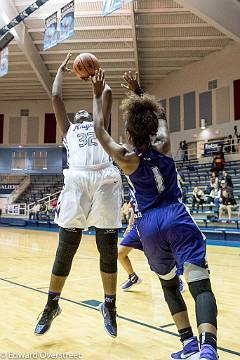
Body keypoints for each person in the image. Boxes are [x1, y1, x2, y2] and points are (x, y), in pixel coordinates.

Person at [91, 69, 218, 360]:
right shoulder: (165, 145)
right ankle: (208, 348)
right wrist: (138, 92)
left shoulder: (126, 158)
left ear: (129, 132)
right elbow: (159, 118)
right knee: (200, 284)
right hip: (176, 215)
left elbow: (99, 130)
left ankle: (187, 344)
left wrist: (98, 93)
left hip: (148, 225)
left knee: (170, 285)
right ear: (149, 128)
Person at [34, 54, 122, 338]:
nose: (83, 112)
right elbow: (56, 96)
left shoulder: (100, 123)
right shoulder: (68, 128)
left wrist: (97, 79)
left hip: (105, 177)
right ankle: (51, 304)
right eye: (80, 112)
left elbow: (106, 93)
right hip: (78, 179)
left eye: (88, 110)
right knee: (66, 247)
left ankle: (109, 305)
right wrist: (60, 71)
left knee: (107, 248)